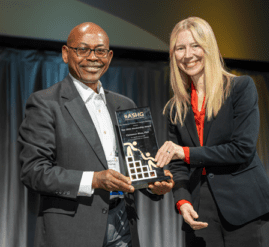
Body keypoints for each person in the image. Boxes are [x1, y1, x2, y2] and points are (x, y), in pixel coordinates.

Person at [19, 22, 174, 247]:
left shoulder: (125, 105)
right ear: (65, 53)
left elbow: (138, 166)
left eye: (100, 51)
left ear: (109, 57)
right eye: (82, 49)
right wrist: (94, 180)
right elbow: (33, 171)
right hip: (72, 230)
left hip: (124, 224)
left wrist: (155, 184)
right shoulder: (45, 103)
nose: (92, 57)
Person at [155, 17, 269, 247]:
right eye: (180, 48)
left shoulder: (240, 88)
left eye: (195, 45)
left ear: (209, 47)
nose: (188, 54)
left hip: (246, 207)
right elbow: (176, 165)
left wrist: (186, 153)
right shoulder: (176, 107)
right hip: (199, 210)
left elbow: (241, 149)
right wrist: (182, 201)